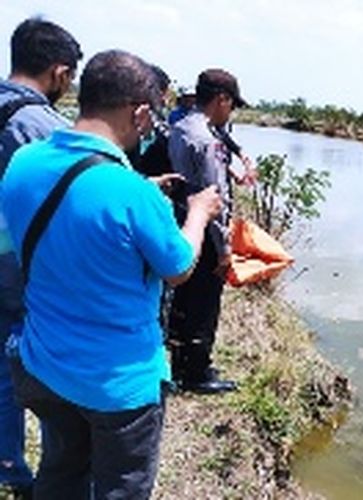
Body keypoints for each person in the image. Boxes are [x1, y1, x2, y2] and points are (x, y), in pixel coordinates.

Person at [1, 49, 221, 499]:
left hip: (44, 364)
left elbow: (28, 240)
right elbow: (178, 267)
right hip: (118, 386)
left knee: (60, 474)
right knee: (120, 488)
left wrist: (139, 194)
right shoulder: (131, 193)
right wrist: (197, 213)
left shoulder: (23, 162)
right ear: (140, 112)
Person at [0, 17, 81, 498]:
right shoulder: (41, 124)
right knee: (41, 369)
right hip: (20, 270)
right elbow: (70, 202)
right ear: (59, 72)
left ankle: (8, 461)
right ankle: (52, 474)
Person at [167, 68, 254, 394]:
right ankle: (196, 372)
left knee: (183, 300)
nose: (230, 112)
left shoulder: (182, 126)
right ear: (222, 100)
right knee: (204, 303)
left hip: (182, 224)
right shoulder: (207, 140)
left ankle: (181, 364)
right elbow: (214, 195)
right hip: (203, 231)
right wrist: (225, 250)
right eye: (231, 105)